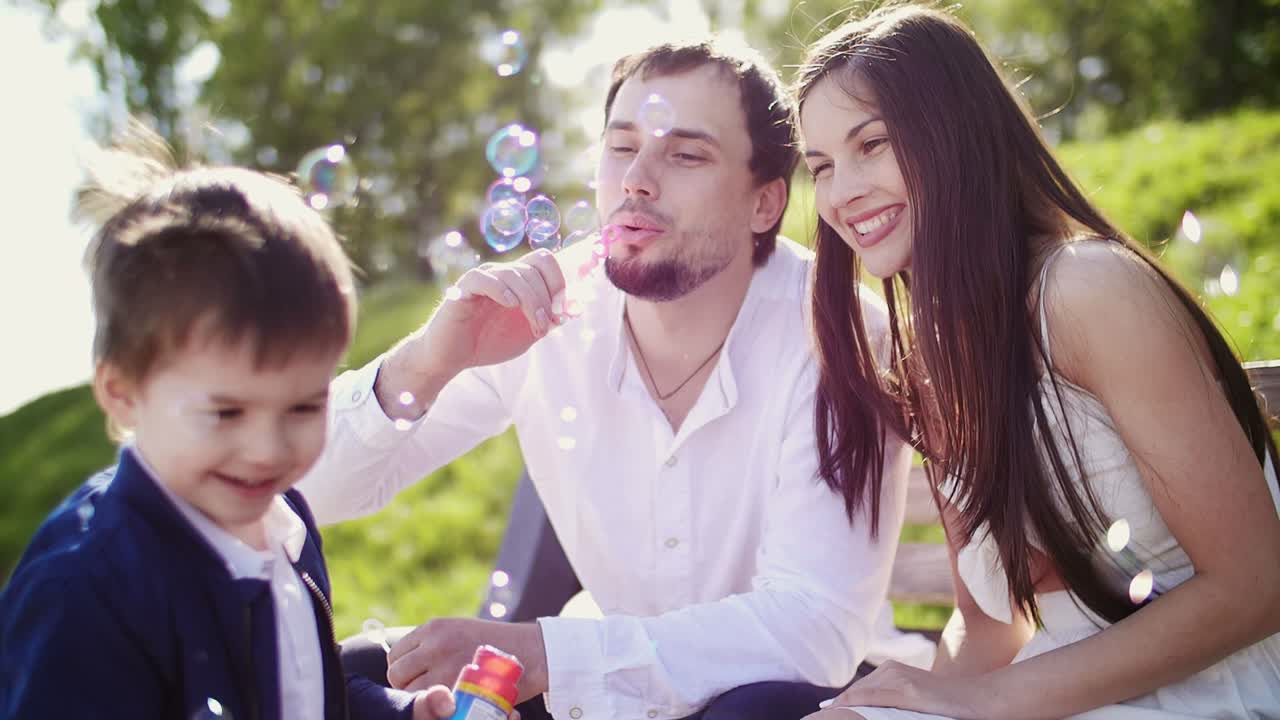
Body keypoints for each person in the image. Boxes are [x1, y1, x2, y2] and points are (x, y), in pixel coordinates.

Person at [298, 38, 914, 720]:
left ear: (764, 204)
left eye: (685, 155)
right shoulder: (537, 316)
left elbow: (810, 631)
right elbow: (301, 487)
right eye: (622, 147)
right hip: (605, 695)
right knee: (342, 674)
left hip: (796, 697)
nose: (636, 180)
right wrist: (429, 361)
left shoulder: (837, 338)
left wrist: (546, 654)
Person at [793, 5, 1280, 719]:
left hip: (1217, 691)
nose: (842, 193)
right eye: (823, 167)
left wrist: (990, 700)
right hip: (1056, 694)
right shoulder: (933, 355)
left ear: (957, 137)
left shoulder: (1087, 291)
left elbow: (1258, 584)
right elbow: (991, 625)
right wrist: (911, 703)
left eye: (873, 144)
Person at [0, 121, 465, 720]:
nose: (268, 449)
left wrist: (395, 714)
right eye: (225, 412)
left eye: (304, 405)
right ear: (123, 392)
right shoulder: (89, 588)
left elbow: (298, 695)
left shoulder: (285, 520)